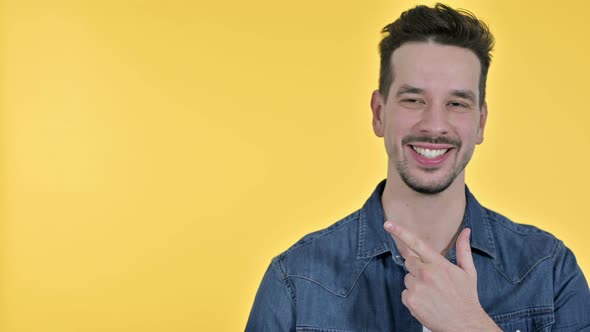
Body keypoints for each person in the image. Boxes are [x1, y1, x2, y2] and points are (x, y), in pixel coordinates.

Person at [245, 3, 590, 331]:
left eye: (456, 103)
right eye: (413, 100)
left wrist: (471, 326)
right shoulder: (296, 280)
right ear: (379, 113)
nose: (434, 125)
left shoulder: (549, 271)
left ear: (481, 122)